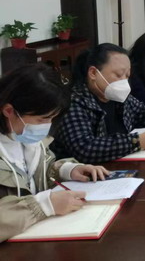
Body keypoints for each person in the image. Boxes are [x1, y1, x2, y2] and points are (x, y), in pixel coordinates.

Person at [0, 64, 109, 242]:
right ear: (9, 111)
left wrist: (65, 170)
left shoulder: (23, 136)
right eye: (42, 119)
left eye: (52, 118)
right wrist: (43, 206)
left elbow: (30, 174)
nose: (47, 125)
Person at [51, 43, 145, 164]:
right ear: (93, 73)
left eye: (127, 76)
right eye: (118, 75)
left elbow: (143, 111)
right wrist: (137, 141)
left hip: (120, 165)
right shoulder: (74, 102)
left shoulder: (115, 95)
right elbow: (85, 148)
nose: (124, 81)